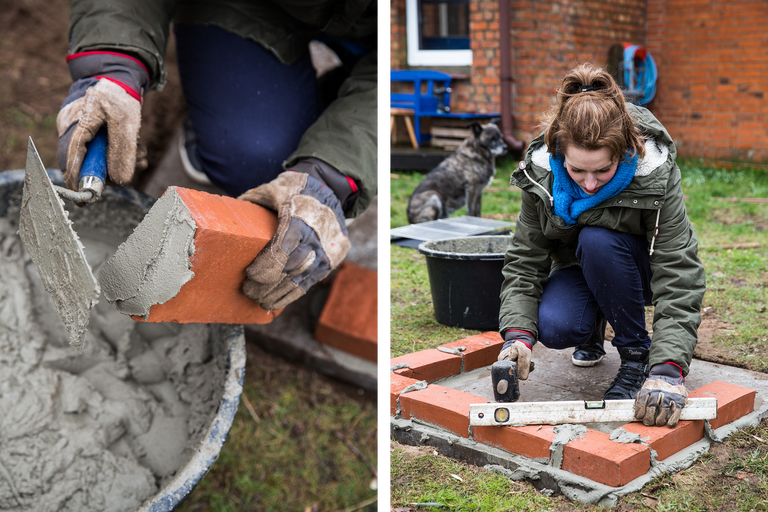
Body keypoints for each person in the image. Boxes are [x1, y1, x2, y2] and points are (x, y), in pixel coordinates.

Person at [55, 0, 379, 311]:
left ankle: (327, 113)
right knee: (255, 163)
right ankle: (215, 120)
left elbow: (418, 73)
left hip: (385, 43)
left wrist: (331, 174)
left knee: (315, 178)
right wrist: (112, 63)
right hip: (258, 7)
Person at [494, 63, 705, 428]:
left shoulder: (654, 173)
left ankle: (635, 356)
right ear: (559, 151)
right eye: (578, 171)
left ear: (624, 150)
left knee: (597, 239)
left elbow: (678, 270)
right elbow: (524, 262)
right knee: (558, 326)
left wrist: (667, 368)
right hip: (581, 266)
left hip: (639, 269)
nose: (589, 184)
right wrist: (518, 337)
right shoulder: (541, 173)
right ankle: (590, 330)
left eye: (602, 171)